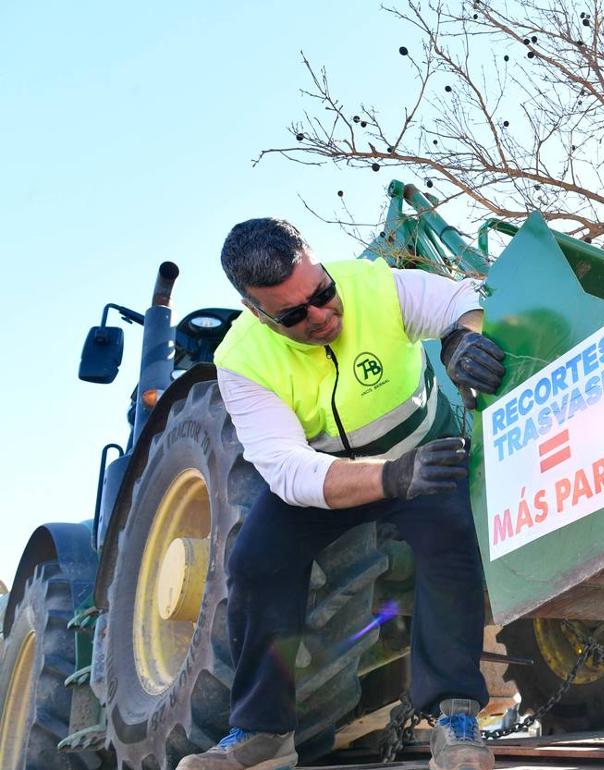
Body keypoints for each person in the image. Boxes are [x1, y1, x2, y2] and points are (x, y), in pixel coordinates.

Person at [176, 218, 505, 770]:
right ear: (257, 313)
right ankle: (262, 734)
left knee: (451, 537)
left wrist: (461, 339)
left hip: (427, 457)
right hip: (333, 479)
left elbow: (461, 299)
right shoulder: (240, 362)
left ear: (321, 268)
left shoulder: (375, 285)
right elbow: (287, 472)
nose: (322, 316)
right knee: (256, 560)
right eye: (294, 316)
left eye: (322, 295)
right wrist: (390, 477)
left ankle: (456, 716)